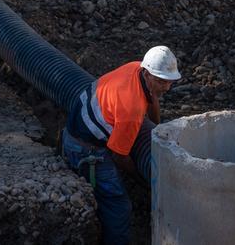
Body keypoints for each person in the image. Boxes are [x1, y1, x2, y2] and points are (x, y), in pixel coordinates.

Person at [62, 46, 181, 244]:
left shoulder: (137, 69)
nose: (166, 87)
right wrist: (142, 179)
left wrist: (157, 130)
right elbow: (119, 156)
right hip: (86, 148)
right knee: (118, 206)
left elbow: (152, 98)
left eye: (169, 81)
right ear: (147, 74)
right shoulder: (131, 112)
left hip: (81, 123)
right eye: (161, 81)